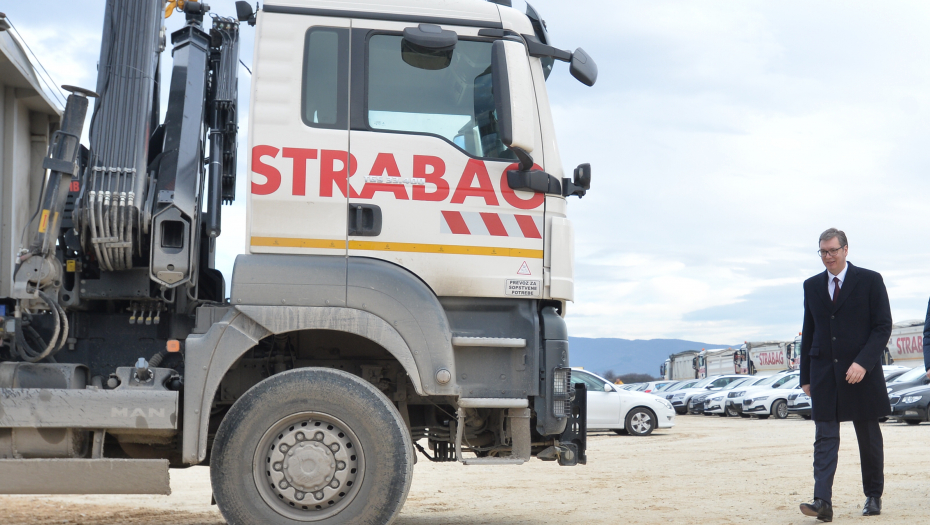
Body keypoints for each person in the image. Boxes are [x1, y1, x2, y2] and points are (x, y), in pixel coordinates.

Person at [798, 228, 892, 522]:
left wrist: (863, 363)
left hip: (861, 373)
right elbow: (809, 330)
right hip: (824, 373)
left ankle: (873, 495)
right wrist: (805, 376)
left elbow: (882, 326)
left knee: (868, 437)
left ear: (846, 249)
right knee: (824, 437)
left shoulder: (870, 280)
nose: (828, 257)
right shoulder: (811, 285)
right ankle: (822, 501)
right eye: (823, 252)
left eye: (833, 251)